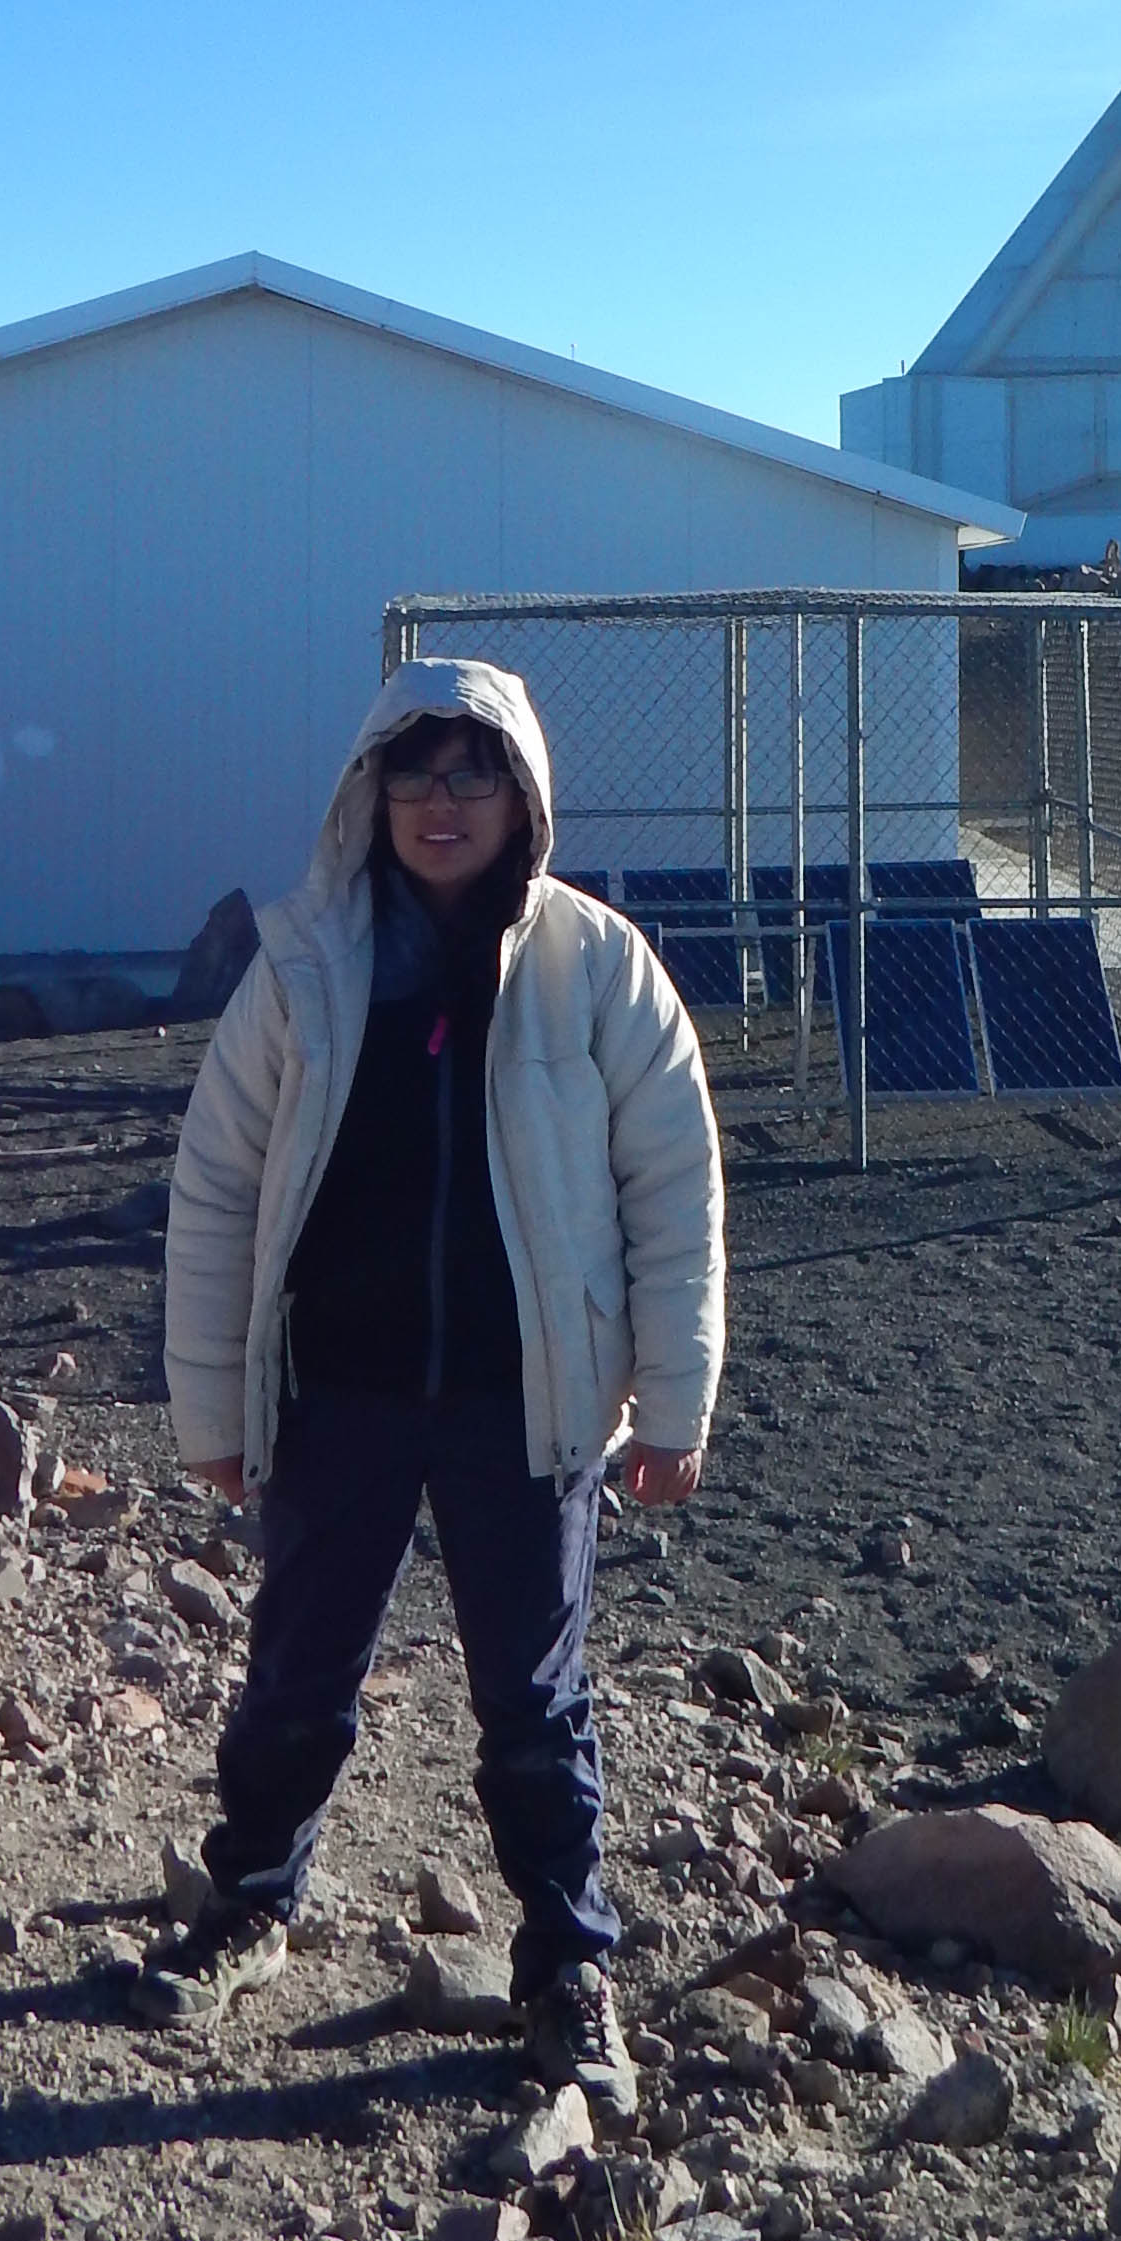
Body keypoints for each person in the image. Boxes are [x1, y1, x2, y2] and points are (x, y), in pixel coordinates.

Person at [150, 655, 724, 2111]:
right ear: (371, 790)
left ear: (522, 795)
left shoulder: (598, 969)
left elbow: (674, 1191)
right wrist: (214, 1413)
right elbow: (216, 1192)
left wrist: (673, 1404)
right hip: (336, 1394)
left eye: (474, 771)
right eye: (414, 770)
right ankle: (251, 1897)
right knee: (297, 1671)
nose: (441, 800)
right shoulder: (301, 967)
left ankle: (569, 1966)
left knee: (533, 1699)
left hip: (525, 1406)